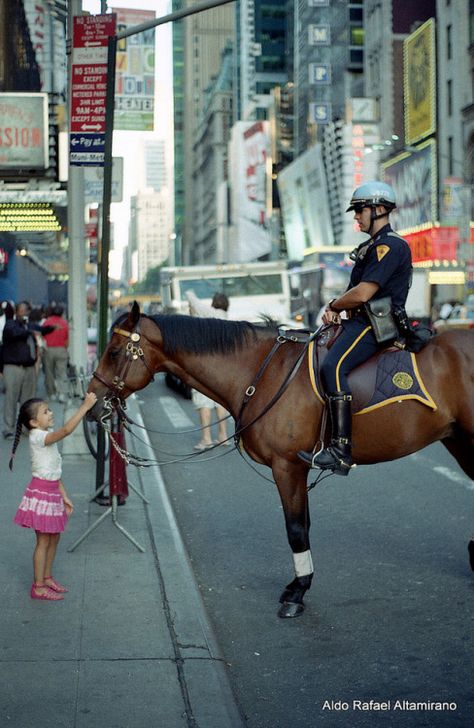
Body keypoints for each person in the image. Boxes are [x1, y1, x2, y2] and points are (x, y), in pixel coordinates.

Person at [298, 180, 412, 475]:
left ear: (378, 209)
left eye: (360, 210)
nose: (356, 217)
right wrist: (335, 310)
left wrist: (335, 305)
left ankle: (340, 450)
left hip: (376, 323)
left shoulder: (391, 246)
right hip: (361, 320)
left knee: (332, 368)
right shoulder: (370, 247)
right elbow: (354, 293)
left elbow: (362, 294)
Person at [10, 392, 97, 600]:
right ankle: (38, 586)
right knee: (43, 540)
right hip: (41, 493)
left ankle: (47, 577)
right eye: (45, 411)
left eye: (49, 410)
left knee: (54, 537)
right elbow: (67, 430)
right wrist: (84, 407)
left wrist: (64, 495)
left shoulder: (45, 433)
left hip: (52, 492)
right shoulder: (39, 436)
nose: (51, 413)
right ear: (33, 422)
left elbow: (53, 470)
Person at [185, 289, 230, 450]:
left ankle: (206, 439)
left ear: (214, 303)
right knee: (220, 402)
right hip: (222, 366)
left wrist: (189, 292)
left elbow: (194, 301)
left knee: (204, 401)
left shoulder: (212, 313)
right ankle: (223, 436)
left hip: (205, 366)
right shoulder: (224, 317)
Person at [2, 301, 38, 439]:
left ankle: (25, 427)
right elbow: (14, 333)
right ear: (17, 312)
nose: (25, 313)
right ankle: (8, 429)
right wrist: (28, 330)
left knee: (28, 400)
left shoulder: (28, 325)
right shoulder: (11, 324)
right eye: (22, 311)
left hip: (28, 368)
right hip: (13, 367)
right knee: (11, 399)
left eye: (27, 311)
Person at [41, 304, 69, 403]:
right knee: (61, 372)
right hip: (61, 349)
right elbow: (66, 339)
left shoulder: (47, 322)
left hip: (49, 349)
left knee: (49, 372)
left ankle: (51, 393)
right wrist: (65, 349)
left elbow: (42, 336)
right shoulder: (64, 323)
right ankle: (61, 393)